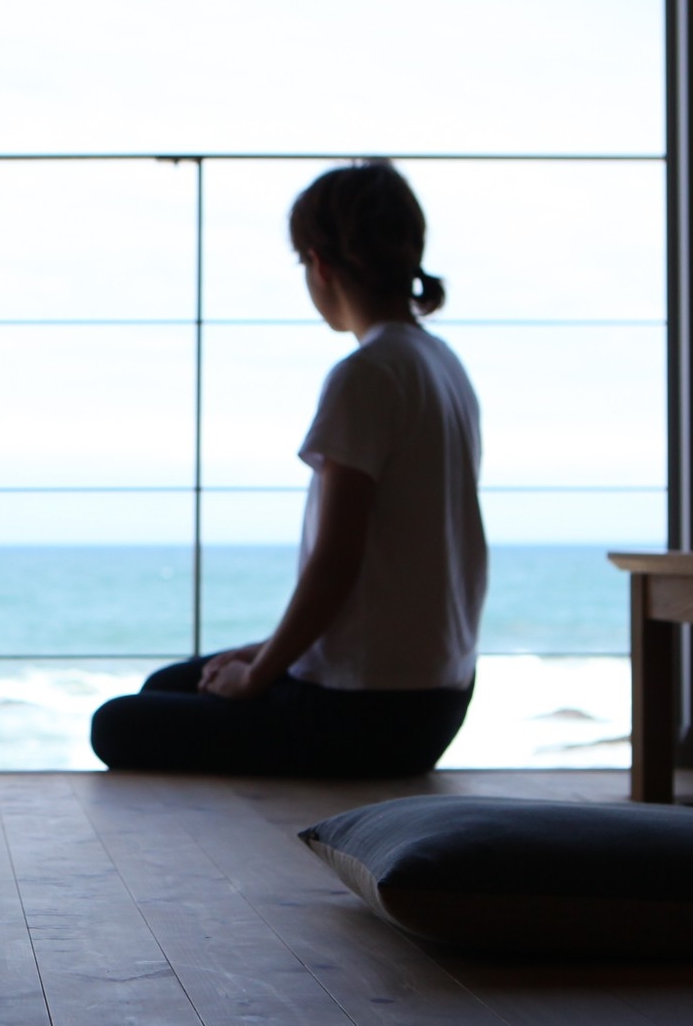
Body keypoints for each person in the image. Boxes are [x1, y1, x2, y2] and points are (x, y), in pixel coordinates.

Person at [89, 159, 485, 777]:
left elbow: (337, 563)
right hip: (438, 699)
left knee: (117, 724)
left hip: (364, 716)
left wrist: (258, 678)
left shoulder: (366, 375)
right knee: (174, 682)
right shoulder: (441, 364)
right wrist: (264, 656)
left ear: (320, 264)